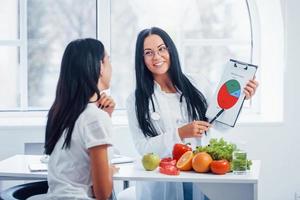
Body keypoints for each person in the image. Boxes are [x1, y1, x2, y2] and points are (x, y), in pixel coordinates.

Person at [126, 27, 259, 200]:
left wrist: (240, 98)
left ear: (170, 50)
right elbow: (143, 148)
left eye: (161, 49)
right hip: (162, 184)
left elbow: (220, 124)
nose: (157, 57)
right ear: (141, 59)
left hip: (200, 179)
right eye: (148, 52)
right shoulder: (136, 100)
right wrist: (180, 133)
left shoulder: (197, 83)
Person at [44, 38, 118, 200]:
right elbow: (103, 193)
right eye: (108, 61)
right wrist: (109, 171)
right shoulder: (94, 117)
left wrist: (107, 116)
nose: (111, 68)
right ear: (100, 67)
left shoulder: (61, 112)